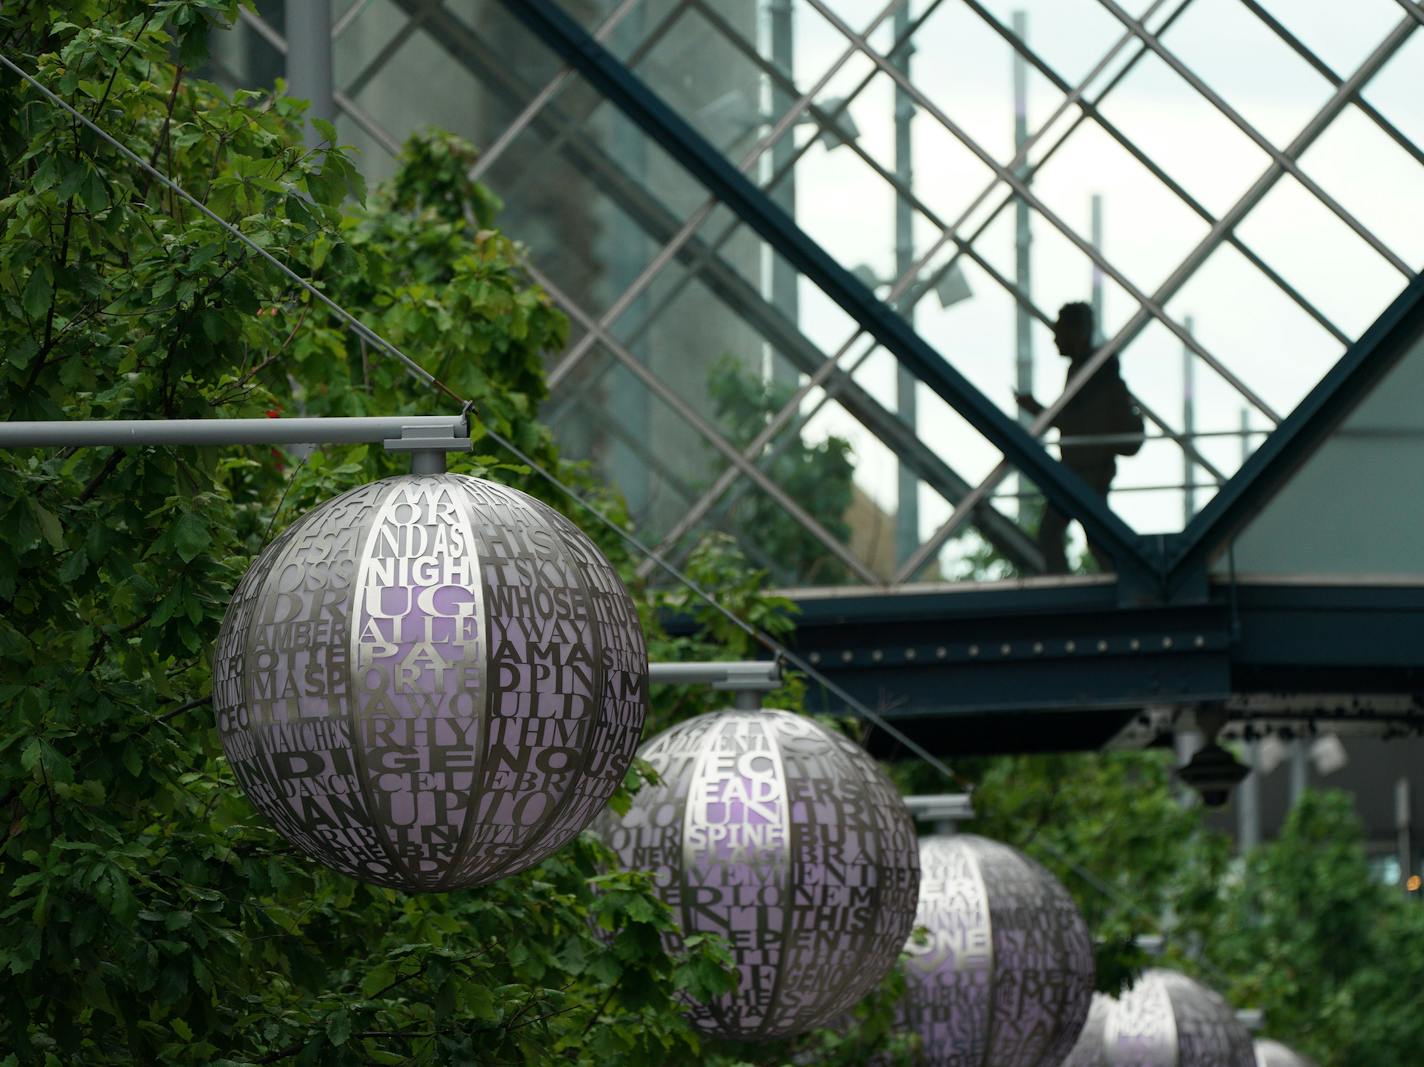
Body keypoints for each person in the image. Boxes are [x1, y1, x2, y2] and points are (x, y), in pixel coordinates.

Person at [1015, 302, 1142, 574]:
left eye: (1059, 330)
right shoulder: (1095, 372)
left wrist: (1037, 410)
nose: (1055, 338)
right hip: (1086, 469)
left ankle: (1075, 587)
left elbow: (1077, 422)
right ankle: (1109, 581)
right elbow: (1078, 421)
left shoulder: (1091, 373)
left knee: (1060, 535)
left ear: (1078, 332)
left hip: (1085, 469)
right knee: (1088, 537)